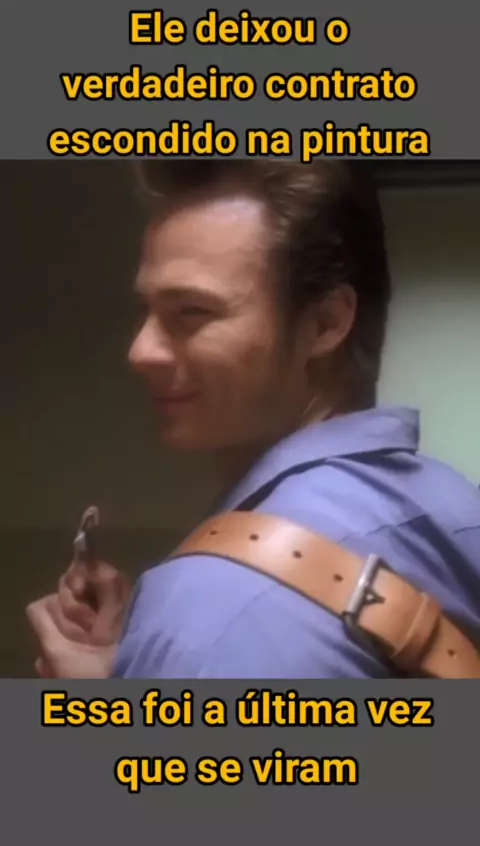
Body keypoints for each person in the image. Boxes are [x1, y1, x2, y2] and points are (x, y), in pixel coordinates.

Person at [26, 158, 480, 679]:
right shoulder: (450, 505)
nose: (140, 351)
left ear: (325, 323)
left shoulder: (216, 614)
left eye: (192, 312)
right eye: (146, 310)